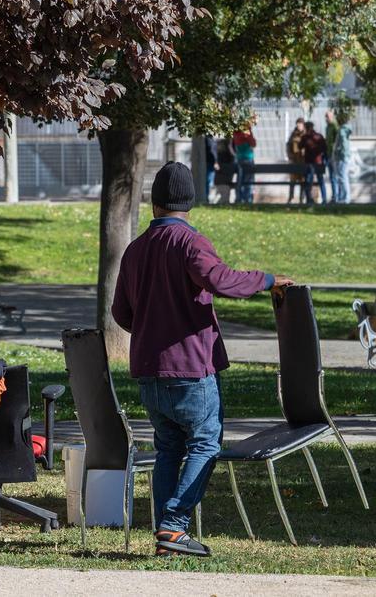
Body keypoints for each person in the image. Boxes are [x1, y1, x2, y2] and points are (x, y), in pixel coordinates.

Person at [111, 162, 292, 557]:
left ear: (154, 202)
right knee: (206, 445)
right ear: (189, 203)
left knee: (168, 450)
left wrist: (151, 325)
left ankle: (165, 535)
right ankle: (174, 527)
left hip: (149, 374)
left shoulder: (135, 249)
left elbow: (121, 314)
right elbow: (220, 279)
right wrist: (266, 279)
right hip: (190, 370)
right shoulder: (190, 243)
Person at [300, 121, 328, 204]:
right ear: (312, 127)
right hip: (319, 162)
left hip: (309, 162)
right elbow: (325, 148)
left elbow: (299, 146)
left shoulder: (305, 137)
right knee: (321, 181)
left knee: (309, 181)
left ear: (306, 128)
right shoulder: (319, 136)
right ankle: (324, 199)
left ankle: (309, 199)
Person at [231, 117, 257, 203]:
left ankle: (239, 198)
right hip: (248, 158)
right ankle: (247, 199)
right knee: (248, 181)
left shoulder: (236, 133)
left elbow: (235, 143)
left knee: (240, 180)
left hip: (239, 159)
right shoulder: (246, 133)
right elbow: (253, 144)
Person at [331, 112, 353, 203]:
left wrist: (339, 152)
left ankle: (346, 198)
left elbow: (343, 143)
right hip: (343, 156)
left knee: (342, 177)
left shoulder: (342, 130)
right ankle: (344, 197)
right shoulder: (344, 129)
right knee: (342, 177)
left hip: (342, 157)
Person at [285, 117, 306, 204]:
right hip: (294, 161)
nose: (298, 125)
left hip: (303, 161)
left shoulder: (305, 134)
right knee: (292, 181)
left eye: (300, 124)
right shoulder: (293, 134)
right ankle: (291, 198)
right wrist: (290, 157)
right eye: (297, 124)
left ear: (303, 125)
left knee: (302, 181)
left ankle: (302, 199)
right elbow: (288, 146)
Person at [203, 134, 219, 202]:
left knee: (208, 182)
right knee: (209, 182)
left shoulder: (209, 139)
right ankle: (207, 198)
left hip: (208, 163)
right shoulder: (209, 139)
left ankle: (207, 198)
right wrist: (215, 162)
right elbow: (211, 151)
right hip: (210, 163)